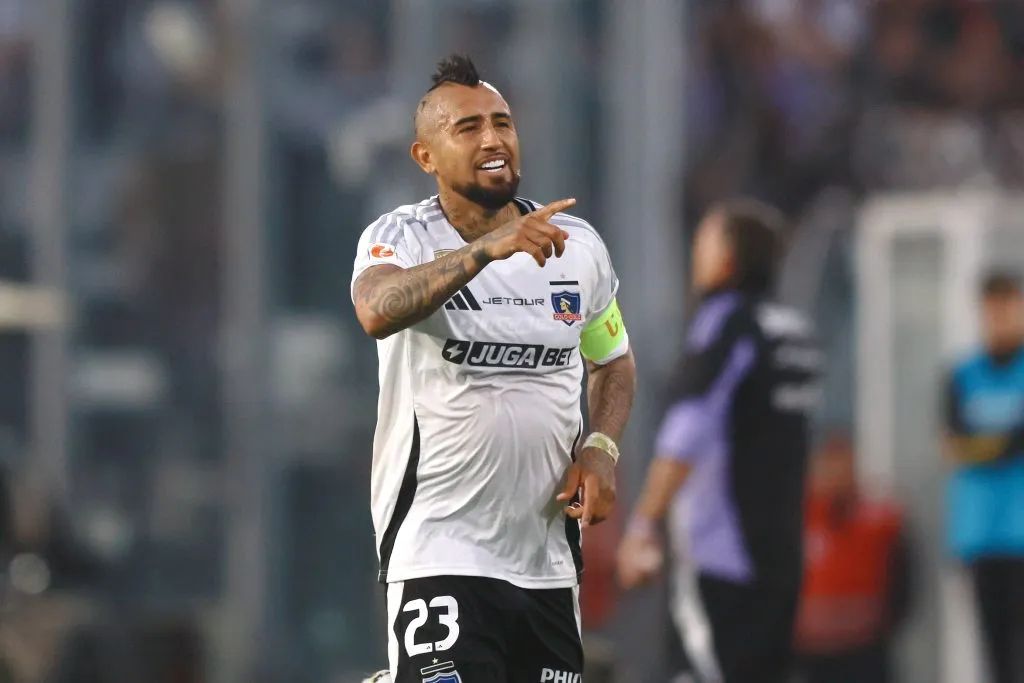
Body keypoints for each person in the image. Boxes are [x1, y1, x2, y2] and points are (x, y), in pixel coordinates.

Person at [351, 55, 636, 683]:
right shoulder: (401, 239)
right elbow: (376, 309)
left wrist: (602, 447)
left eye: (502, 122)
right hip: (440, 547)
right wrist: (485, 250)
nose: (492, 139)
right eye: (469, 127)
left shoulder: (576, 247)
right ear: (426, 157)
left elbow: (612, 361)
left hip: (546, 558)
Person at [616, 199, 820, 683]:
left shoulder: (725, 324)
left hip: (717, 555)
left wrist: (643, 525)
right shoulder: (794, 332)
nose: (696, 254)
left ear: (728, 259)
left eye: (705, 242)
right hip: (780, 555)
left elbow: (685, 435)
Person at [944, 270, 1024, 683]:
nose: (1001, 317)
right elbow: (954, 447)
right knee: (994, 652)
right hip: (979, 535)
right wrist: (1005, 443)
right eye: (993, 308)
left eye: (1009, 307)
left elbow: (973, 446)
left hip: (1020, 531)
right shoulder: (962, 375)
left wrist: (984, 446)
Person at [791, 433, 913, 683]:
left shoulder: (881, 521)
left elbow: (904, 579)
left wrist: (884, 625)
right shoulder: (797, 520)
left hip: (865, 647)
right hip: (809, 652)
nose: (837, 474)